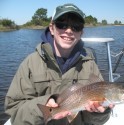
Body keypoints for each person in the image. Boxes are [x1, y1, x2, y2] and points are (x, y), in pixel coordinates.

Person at [5, 3, 114, 125]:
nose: (68, 31)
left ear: (81, 33)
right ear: (52, 28)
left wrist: (99, 112)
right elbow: (14, 113)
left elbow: (98, 121)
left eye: (76, 26)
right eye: (62, 24)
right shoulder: (30, 63)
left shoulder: (90, 65)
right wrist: (44, 108)